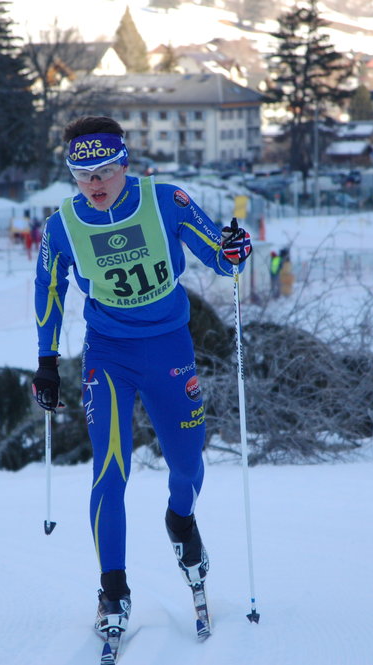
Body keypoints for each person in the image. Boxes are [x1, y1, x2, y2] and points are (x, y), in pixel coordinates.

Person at [31, 116, 251, 643]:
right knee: (110, 469)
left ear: (125, 164)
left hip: (170, 347)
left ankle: (180, 521)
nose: (96, 183)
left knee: (187, 461)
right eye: (83, 175)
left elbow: (221, 260)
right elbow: (49, 286)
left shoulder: (165, 200)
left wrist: (235, 250)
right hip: (108, 355)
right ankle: (113, 589)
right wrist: (46, 359)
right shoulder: (63, 223)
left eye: (105, 170)